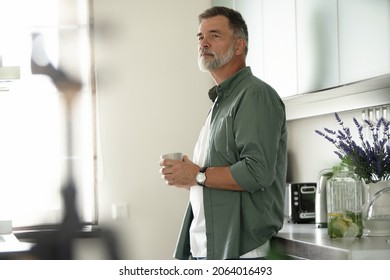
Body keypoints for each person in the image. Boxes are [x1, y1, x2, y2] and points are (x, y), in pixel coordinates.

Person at [159, 6, 287, 260]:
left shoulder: (254, 95)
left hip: (242, 252)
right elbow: (212, 180)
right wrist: (189, 179)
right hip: (209, 247)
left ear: (239, 46)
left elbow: (257, 172)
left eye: (215, 35)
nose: (203, 43)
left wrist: (198, 174)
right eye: (200, 36)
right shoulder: (222, 101)